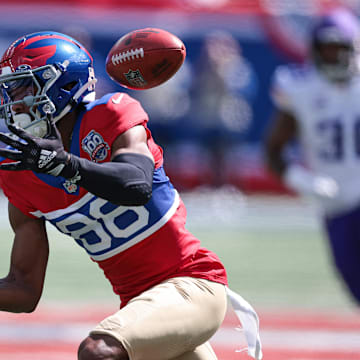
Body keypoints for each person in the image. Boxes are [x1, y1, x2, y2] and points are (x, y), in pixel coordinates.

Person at [0, 31, 262, 360]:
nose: (12, 101)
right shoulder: (20, 176)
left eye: (22, 87)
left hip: (192, 284)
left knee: (99, 351)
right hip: (143, 306)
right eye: (8, 90)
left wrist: (65, 165)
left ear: (62, 85)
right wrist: (57, 165)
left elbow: (136, 185)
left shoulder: (110, 114)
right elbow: (23, 289)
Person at [265, 8, 360, 304]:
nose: (333, 56)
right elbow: (273, 150)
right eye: (327, 49)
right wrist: (303, 180)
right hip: (335, 205)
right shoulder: (299, 87)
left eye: (340, 48)